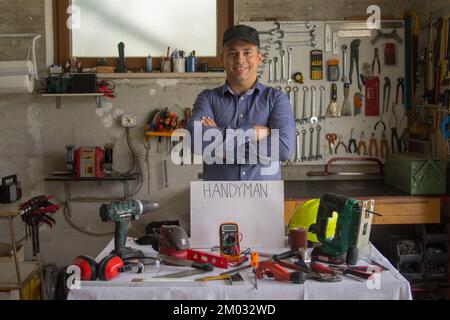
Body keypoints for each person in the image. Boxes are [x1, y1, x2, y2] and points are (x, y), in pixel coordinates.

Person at [186, 25, 296, 181]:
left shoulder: (276, 99)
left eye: (247, 52)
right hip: (219, 201)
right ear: (222, 59)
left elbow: (284, 148)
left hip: (263, 202)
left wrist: (221, 150)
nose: (240, 59)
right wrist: (254, 132)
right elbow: (195, 140)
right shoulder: (208, 98)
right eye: (232, 53)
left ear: (259, 58)